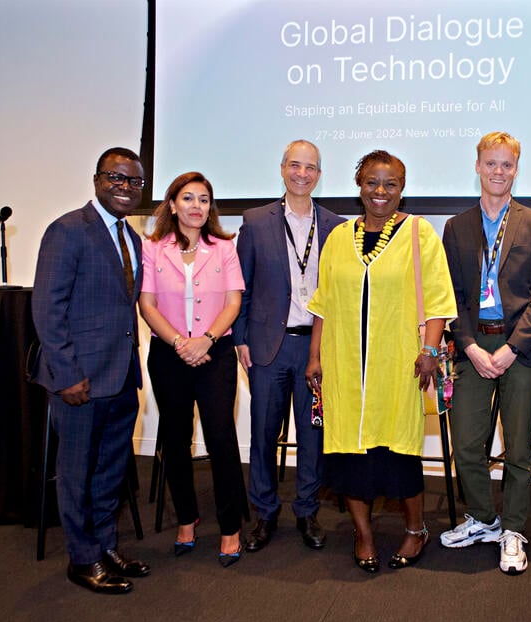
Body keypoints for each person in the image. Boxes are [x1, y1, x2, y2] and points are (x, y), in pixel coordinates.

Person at [305, 150, 456, 573]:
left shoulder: (418, 233)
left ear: (402, 189)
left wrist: (429, 349)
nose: (380, 191)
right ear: (359, 186)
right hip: (345, 367)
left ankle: (414, 531)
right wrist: (315, 356)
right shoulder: (338, 237)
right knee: (350, 458)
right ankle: (364, 534)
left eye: (390, 184)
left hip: (397, 366)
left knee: (400, 454)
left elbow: (439, 298)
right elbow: (323, 303)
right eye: (372, 182)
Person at [32, 147, 150, 594]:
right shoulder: (67, 231)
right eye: (115, 178)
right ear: (97, 180)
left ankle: (105, 546)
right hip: (79, 380)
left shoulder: (133, 239)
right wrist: (66, 375)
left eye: (134, 182)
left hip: (120, 377)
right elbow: (47, 308)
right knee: (77, 471)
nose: (125, 187)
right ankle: (82, 559)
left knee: (110, 471)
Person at [440, 132, 531, 575]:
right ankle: (485, 519)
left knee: (518, 445)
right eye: (491, 163)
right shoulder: (457, 226)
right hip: (472, 345)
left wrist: (510, 349)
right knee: (467, 442)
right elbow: (449, 293)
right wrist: (468, 344)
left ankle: (513, 529)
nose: (498, 172)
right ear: (477, 166)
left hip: (520, 348)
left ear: (516, 169)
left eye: (506, 165)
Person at [233, 140, 344, 553]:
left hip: (316, 348)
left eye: (310, 167)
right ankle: (263, 512)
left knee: (313, 435)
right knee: (263, 432)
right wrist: (240, 338)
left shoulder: (335, 225)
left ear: (319, 174)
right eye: (294, 165)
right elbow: (240, 287)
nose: (302, 173)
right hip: (267, 347)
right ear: (282, 169)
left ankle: (307, 510)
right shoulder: (256, 221)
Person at [138, 171, 247, 567]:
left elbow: (233, 303)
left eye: (204, 199)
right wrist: (181, 344)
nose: (197, 206)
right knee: (175, 438)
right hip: (170, 354)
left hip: (214, 353)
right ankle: (186, 518)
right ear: (172, 204)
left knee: (221, 439)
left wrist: (206, 341)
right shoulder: (152, 249)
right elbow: (147, 305)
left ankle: (230, 526)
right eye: (188, 198)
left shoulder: (224, 247)